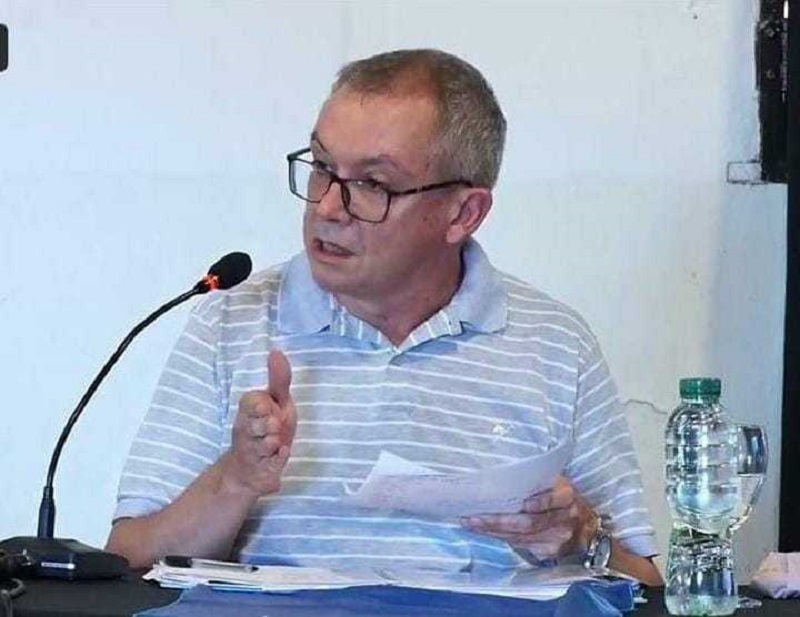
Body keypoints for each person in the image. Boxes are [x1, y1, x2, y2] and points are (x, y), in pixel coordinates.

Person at [106, 49, 663, 586]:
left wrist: (582, 538)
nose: (327, 207)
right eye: (322, 167)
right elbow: (129, 560)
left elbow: (649, 586)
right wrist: (236, 478)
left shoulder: (555, 344)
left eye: (372, 184)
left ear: (463, 213)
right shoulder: (233, 321)